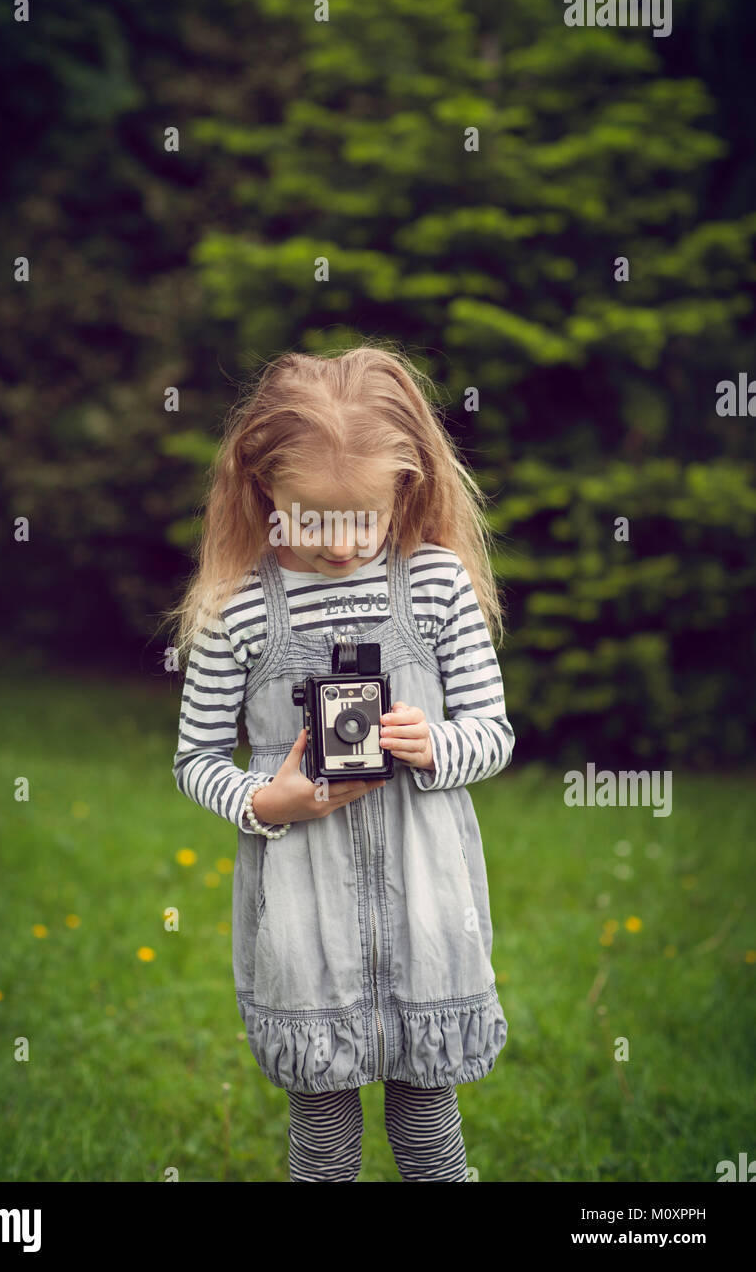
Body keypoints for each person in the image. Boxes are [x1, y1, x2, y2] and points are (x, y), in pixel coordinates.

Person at [167, 341, 515, 1181]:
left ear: (408, 487)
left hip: (427, 906)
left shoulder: (435, 588)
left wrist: (434, 745)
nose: (339, 541)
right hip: (305, 914)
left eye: (362, 516)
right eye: (311, 516)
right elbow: (197, 758)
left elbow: (494, 733)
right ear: (262, 489)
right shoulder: (237, 612)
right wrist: (266, 800)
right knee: (322, 1146)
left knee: (431, 1131)